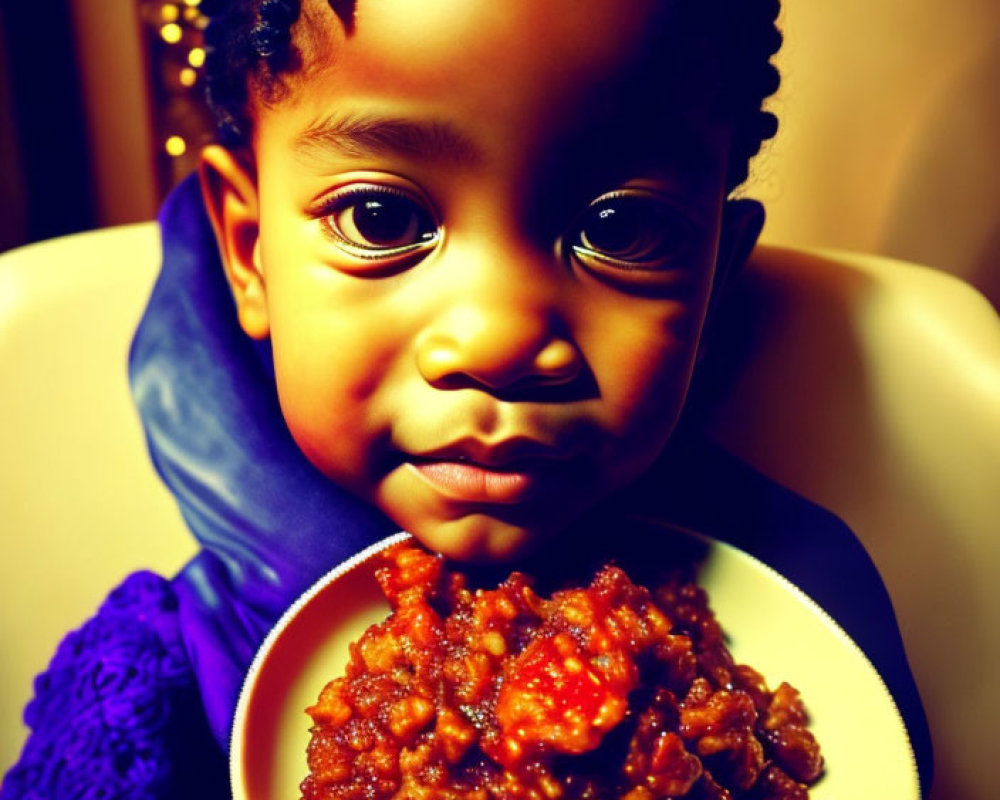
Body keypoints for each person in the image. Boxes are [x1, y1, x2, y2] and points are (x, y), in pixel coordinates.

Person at [1, 0, 933, 797]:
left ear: (715, 277)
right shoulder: (166, 671)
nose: (497, 339)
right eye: (383, 218)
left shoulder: (814, 636)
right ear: (251, 257)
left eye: (619, 228)